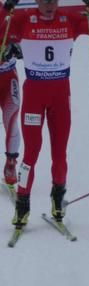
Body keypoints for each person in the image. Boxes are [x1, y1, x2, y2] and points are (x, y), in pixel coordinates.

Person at [0, 0, 89, 228]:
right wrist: (5, 10)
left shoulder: (69, 18)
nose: (49, 5)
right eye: (44, 0)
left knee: (59, 153)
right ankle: (23, 205)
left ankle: (58, 199)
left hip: (61, 98)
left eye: (53, 0)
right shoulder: (24, 19)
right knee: (31, 154)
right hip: (34, 96)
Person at [0, 42, 22, 189]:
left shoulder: (13, 18)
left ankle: (11, 164)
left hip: (7, 78)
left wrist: (19, 47)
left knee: (12, 121)